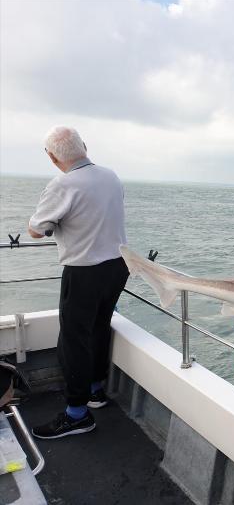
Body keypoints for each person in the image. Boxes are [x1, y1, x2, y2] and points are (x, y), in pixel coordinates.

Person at [28, 126, 129, 439]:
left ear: (53, 157)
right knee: (98, 328)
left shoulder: (63, 184)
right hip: (116, 266)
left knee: (74, 340)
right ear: (84, 146)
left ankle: (77, 414)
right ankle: (96, 391)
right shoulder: (110, 176)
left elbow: (37, 229)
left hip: (84, 270)